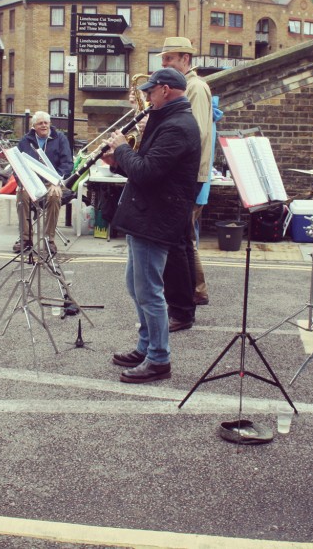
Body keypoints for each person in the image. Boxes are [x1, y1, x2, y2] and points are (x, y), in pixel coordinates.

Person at [104, 67, 200, 383]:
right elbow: (144, 171)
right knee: (136, 285)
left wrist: (121, 148)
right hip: (146, 212)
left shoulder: (178, 127)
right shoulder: (166, 121)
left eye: (149, 91)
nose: (146, 96)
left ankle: (159, 359)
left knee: (149, 290)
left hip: (156, 217)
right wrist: (118, 163)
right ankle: (146, 346)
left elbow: (145, 172)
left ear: (165, 90)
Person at [157, 37, 214, 331]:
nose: (165, 64)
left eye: (170, 59)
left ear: (186, 59)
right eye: (163, 59)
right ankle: (193, 294)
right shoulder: (181, 87)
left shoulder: (196, 87)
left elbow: (199, 133)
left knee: (180, 242)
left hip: (188, 175)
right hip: (183, 175)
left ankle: (189, 301)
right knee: (182, 239)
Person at [13, 111, 72, 255]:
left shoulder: (60, 139)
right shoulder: (25, 141)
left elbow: (67, 164)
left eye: (46, 122)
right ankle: (25, 239)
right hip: (31, 182)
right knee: (22, 197)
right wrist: (22, 183)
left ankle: (48, 239)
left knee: (54, 197)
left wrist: (56, 182)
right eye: (40, 123)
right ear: (34, 126)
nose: (44, 125)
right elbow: (17, 165)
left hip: (52, 182)